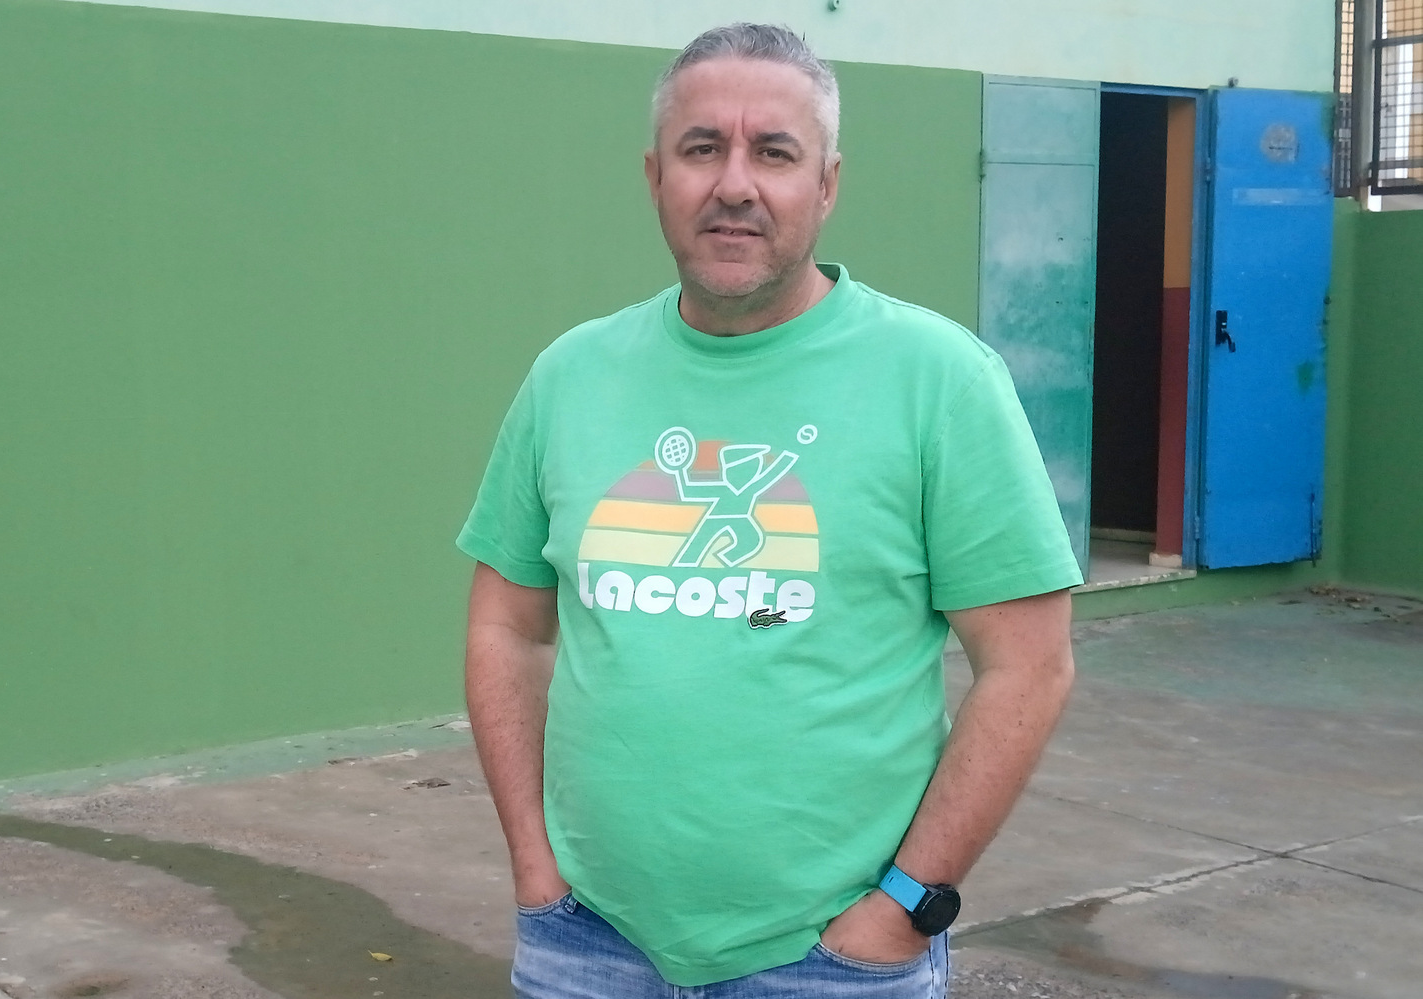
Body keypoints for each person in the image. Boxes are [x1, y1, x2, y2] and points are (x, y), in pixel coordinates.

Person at [457, 22, 1082, 998]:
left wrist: (903, 906)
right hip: (587, 941)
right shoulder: (571, 376)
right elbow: (506, 624)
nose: (735, 184)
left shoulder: (940, 381)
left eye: (775, 153)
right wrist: (537, 869)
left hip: (829, 961)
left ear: (826, 184)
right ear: (655, 176)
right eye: (702, 148)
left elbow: (1029, 666)